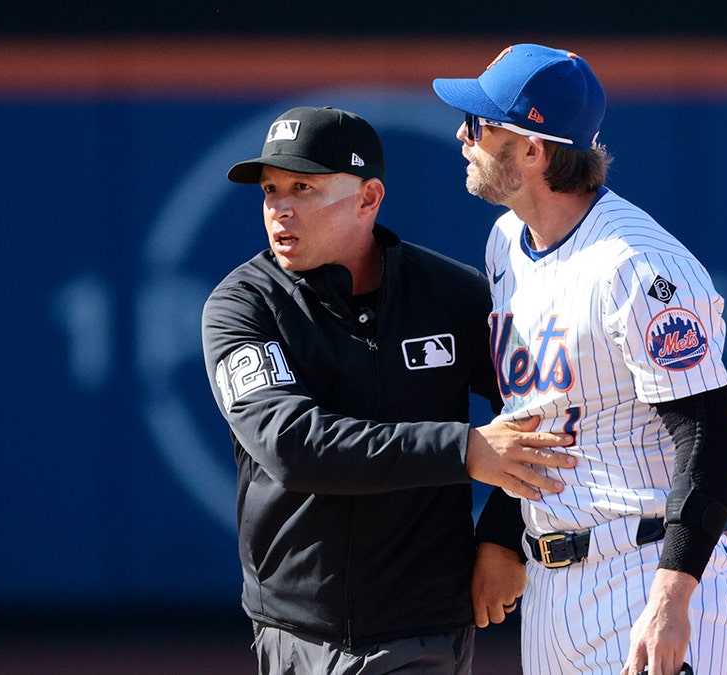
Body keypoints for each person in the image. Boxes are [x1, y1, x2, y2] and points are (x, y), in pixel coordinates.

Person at [200, 105, 576, 674]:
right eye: (271, 189)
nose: (280, 208)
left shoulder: (451, 295)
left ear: (369, 198)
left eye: (304, 186)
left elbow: (540, 413)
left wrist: (502, 535)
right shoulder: (244, 306)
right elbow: (294, 447)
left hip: (425, 626)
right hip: (301, 628)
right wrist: (465, 450)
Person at [432, 45, 727, 675]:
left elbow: (711, 436)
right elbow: (535, 416)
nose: (463, 135)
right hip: (551, 589)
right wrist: (501, 534)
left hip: (642, 574)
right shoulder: (506, 245)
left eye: (481, 123)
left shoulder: (637, 268)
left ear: (533, 148)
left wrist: (672, 595)